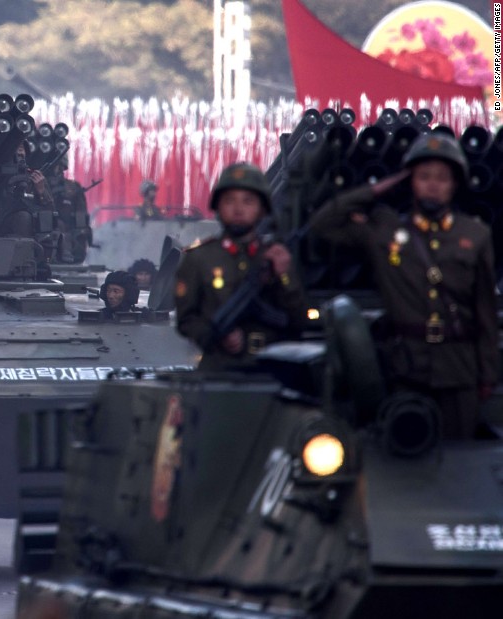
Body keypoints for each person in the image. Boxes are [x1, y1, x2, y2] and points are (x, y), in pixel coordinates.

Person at [310, 132, 498, 439]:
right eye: (423, 176)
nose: (433, 185)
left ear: (455, 184)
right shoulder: (386, 231)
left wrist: (487, 372)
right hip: (407, 368)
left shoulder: (475, 235)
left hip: (459, 370)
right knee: (408, 459)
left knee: (459, 461)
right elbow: (323, 224)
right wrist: (375, 189)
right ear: (410, 181)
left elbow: (485, 310)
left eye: (442, 178)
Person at [174, 162, 306, 371]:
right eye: (229, 201)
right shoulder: (199, 258)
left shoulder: (276, 256)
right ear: (218, 207)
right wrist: (215, 336)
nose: (238, 209)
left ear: (262, 209)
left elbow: (298, 319)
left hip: (272, 370)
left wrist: (284, 277)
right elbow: (186, 320)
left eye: (248, 201)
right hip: (219, 371)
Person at [47, 154, 92, 264]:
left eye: (58, 165)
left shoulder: (72, 187)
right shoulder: (40, 184)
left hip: (69, 230)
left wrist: (81, 231)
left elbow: (80, 214)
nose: (55, 169)